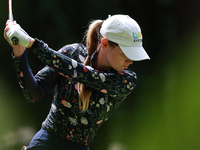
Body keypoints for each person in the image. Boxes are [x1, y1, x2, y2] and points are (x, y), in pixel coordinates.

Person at [4, 14, 150, 150]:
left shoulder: (127, 79)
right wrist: (20, 50)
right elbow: (33, 93)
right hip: (46, 142)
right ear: (105, 43)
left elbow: (84, 74)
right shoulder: (72, 53)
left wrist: (32, 43)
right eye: (126, 53)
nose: (130, 61)